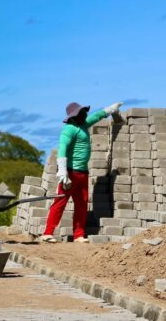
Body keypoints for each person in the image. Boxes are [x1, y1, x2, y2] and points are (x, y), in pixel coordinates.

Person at [41, 101, 122, 243]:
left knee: (82, 204)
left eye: (84, 112)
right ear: (74, 116)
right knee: (60, 202)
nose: (85, 115)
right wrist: (63, 172)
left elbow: (97, 116)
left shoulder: (83, 124)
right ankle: (48, 233)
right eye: (82, 113)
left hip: (83, 173)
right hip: (70, 173)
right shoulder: (69, 129)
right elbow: (62, 149)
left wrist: (110, 109)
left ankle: (79, 235)